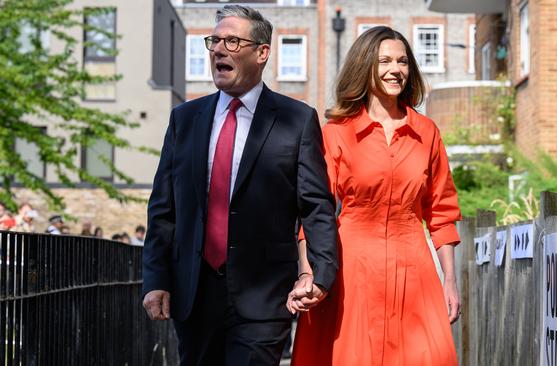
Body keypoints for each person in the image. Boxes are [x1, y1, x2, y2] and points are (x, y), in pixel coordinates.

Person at [142, 5, 338, 365]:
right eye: (214, 41)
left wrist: (320, 276)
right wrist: (156, 278)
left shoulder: (296, 119)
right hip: (194, 296)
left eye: (232, 41)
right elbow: (163, 208)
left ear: (262, 52)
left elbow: (316, 206)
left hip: (263, 298)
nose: (218, 49)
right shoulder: (184, 120)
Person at [288, 26, 462, 365]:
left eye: (402, 61)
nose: (394, 70)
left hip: (415, 268)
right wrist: (309, 274)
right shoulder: (336, 134)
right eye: (384, 61)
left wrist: (450, 281)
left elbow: (441, 212)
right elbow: (314, 213)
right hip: (351, 268)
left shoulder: (427, 133)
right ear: (365, 66)